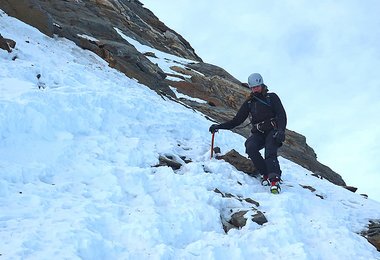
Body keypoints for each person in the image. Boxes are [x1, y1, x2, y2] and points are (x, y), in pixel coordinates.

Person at [209, 73, 287, 194]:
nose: (255, 89)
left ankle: (274, 179)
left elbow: (281, 115)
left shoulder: (272, 97)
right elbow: (236, 120)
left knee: (270, 151)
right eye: (253, 87)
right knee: (250, 147)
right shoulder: (250, 103)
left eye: (257, 86)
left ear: (262, 84)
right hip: (259, 132)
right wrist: (219, 126)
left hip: (273, 130)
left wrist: (281, 130)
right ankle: (265, 173)